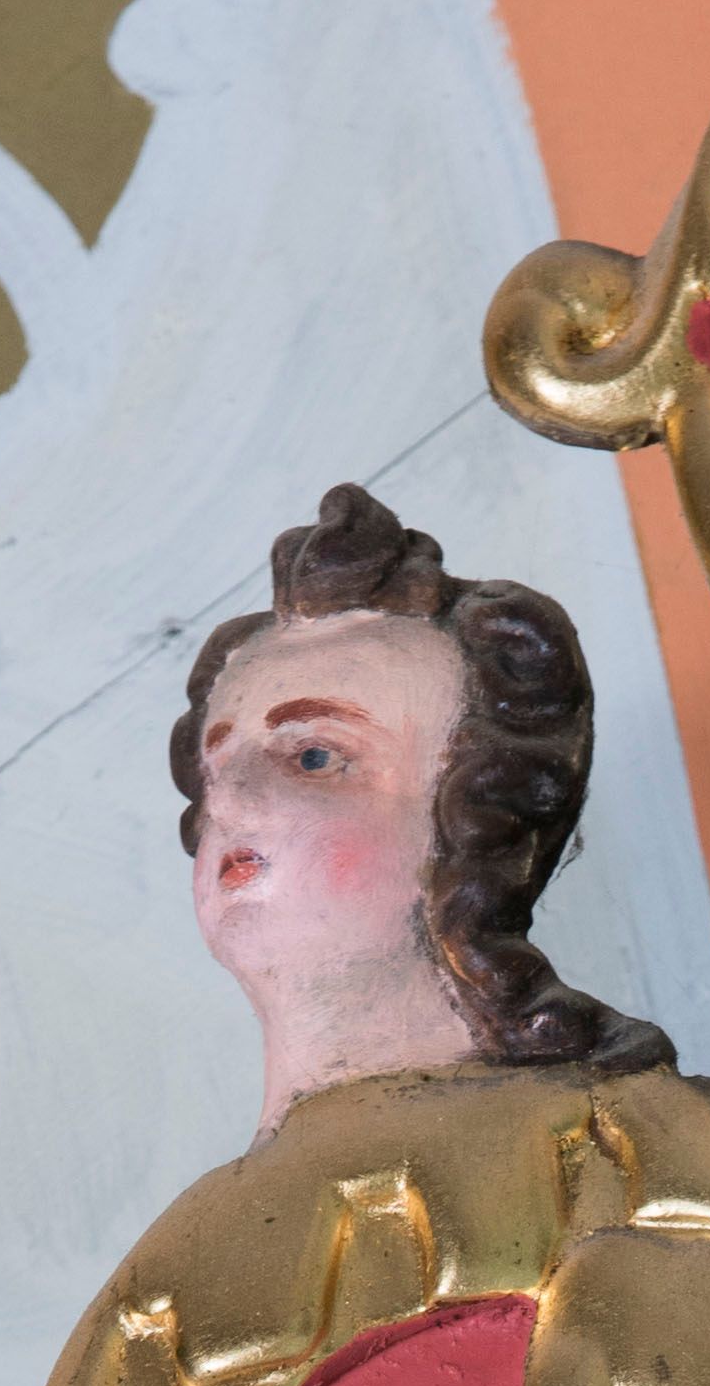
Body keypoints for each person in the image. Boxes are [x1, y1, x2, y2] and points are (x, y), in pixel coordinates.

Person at [172, 478, 672, 1138]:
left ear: (473, 825)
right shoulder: (222, 1208)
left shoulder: (643, 1154)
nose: (228, 802)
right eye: (217, 767)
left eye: (314, 757)